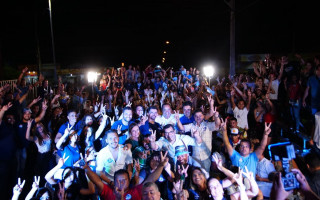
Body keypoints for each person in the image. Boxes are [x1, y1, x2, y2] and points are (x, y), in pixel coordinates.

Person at [84, 150, 170, 200]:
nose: (120, 183)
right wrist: (86, 168)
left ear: (129, 181)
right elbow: (97, 181)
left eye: (123, 180)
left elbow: (151, 180)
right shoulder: (109, 191)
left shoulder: (136, 191)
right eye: (117, 181)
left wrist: (161, 165)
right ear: (114, 182)